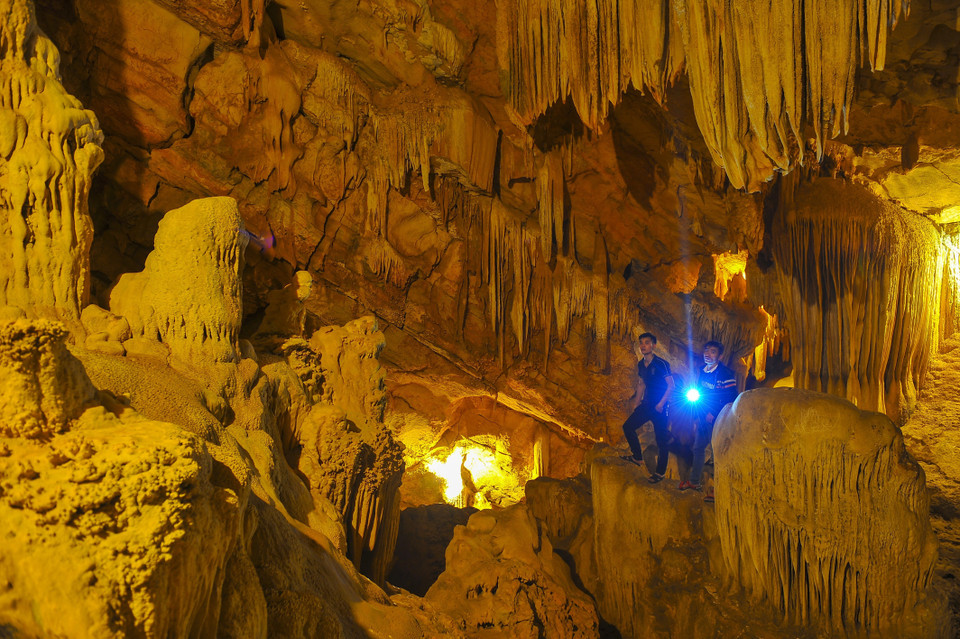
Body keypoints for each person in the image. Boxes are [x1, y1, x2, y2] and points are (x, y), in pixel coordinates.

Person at [680, 340, 738, 501]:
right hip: (704, 418)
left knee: (716, 454)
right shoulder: (702, 371)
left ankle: (717, 488)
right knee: (698, 449)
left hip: (719, 419)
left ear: (720, 356)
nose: (708, 354)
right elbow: (700, 394)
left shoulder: (726, 374)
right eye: (706, 350)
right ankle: (694, 481)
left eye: (712, 351)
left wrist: (714, 412)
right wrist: (699, 415)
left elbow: (731, 398)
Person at [621, 332, 676, 483]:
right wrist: (637, 402)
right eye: (641, 343)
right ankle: (637, 457)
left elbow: (671, 385)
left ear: (653, 345)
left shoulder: (661, 363)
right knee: (628, 427)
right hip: (646, 404)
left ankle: (660, 473)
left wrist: (661, 403)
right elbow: (641, 383)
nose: (643, 346)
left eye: (647, 343)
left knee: (661, 440)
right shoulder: (641, 364)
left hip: (660, 407)